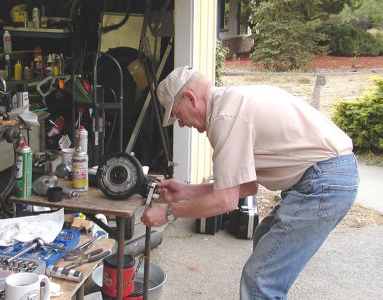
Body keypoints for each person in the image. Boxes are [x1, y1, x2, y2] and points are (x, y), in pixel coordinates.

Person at [141, 66, 360, 299]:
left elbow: (225, 201)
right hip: (326, 177)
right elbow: (245, 187)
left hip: (323, 182)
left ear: (189, 98)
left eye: (177, 114)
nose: (181, 124)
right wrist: (186, 191)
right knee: (264, 236)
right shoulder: (230, 103)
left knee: (260, 280)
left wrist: (169, 213)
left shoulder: (225, 117)